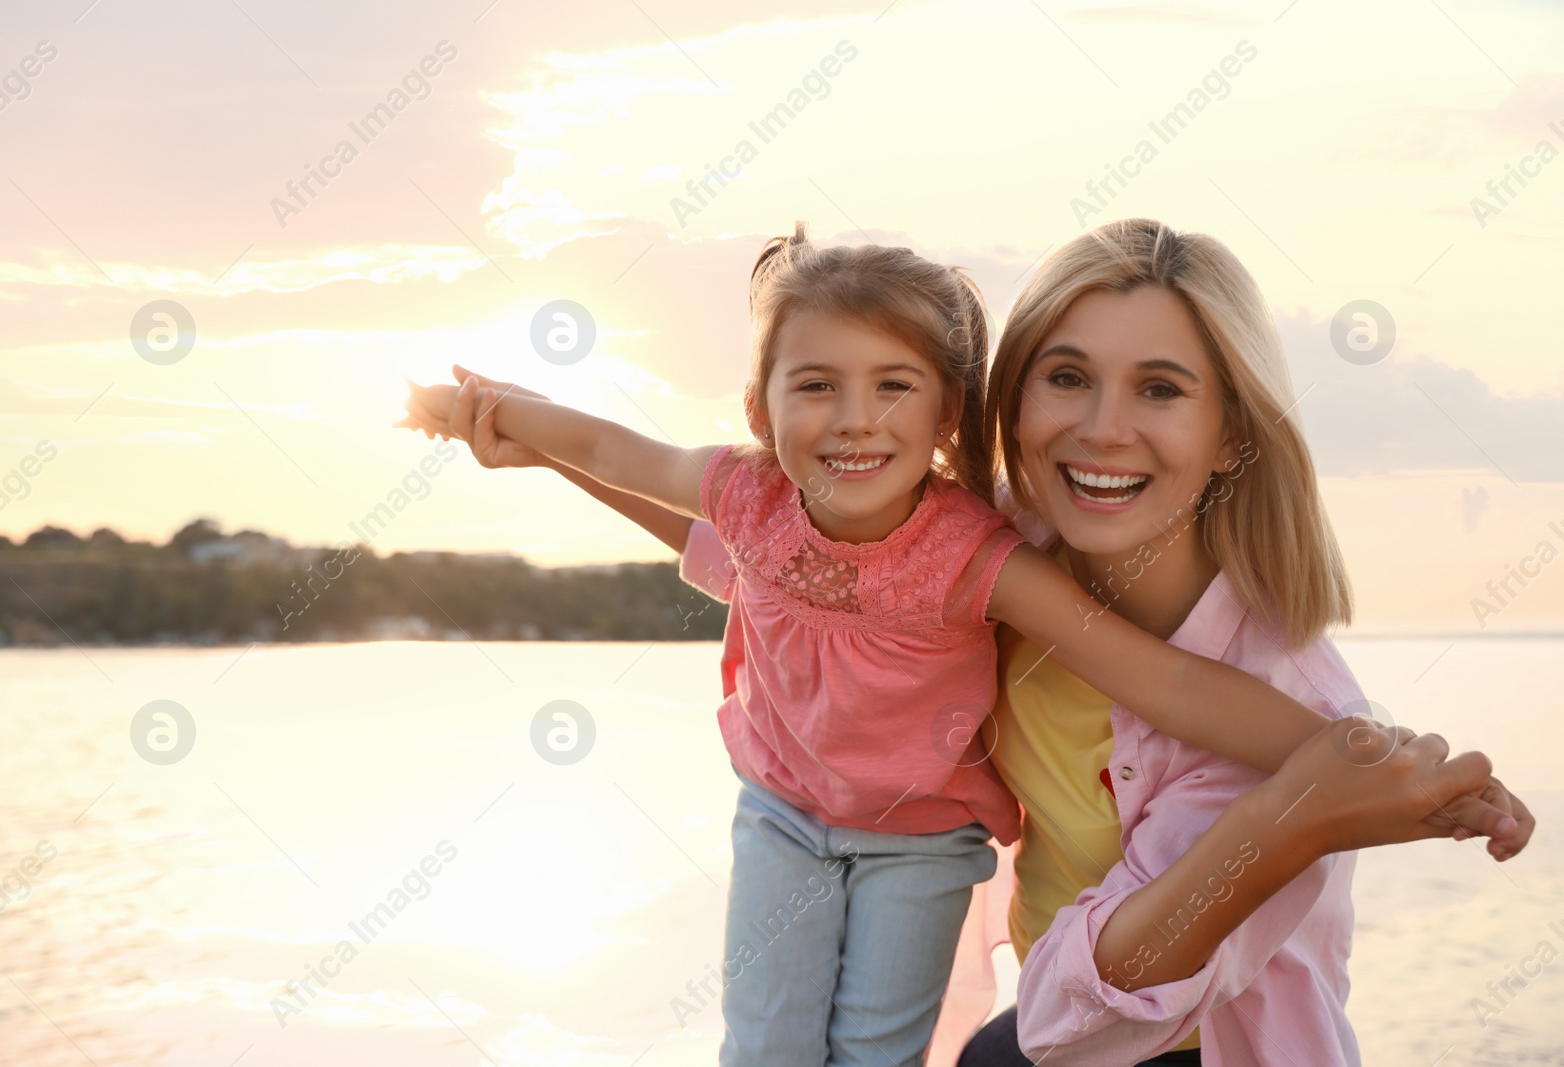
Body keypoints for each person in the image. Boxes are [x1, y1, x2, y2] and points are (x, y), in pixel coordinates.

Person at [399, 222, 1528, 1067]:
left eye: (1160, 389)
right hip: (1026, 1005)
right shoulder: (987, 545)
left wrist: (1336, 794)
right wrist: (537, 446)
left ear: (1230, 431)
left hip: (1178, 1043)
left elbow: (1115, 978)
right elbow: (771, 559)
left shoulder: (1231, 677)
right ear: (1008, 398)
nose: (1100, 427)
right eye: (1067, 376)